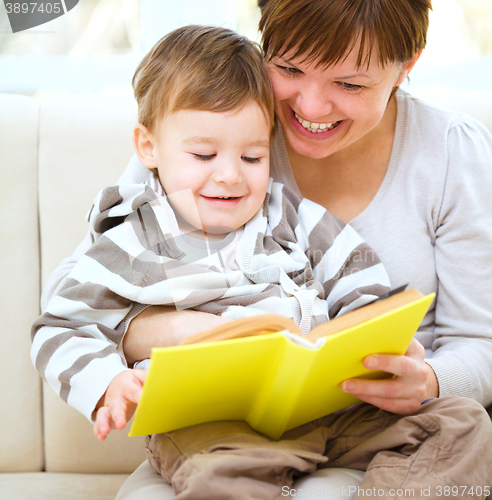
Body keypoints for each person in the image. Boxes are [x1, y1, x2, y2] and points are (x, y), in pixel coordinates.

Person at [39, 0, 492, 498]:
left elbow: (366, 284)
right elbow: (68, 311)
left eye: (350, 83)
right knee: (224, 474)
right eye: (291, 68)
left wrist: (392, 350)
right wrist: (114, 375)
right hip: (220, 422)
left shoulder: (292, 210)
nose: (312, 107)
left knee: (462, 425)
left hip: (343, 408)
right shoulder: (180, 170)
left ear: (407, 67)